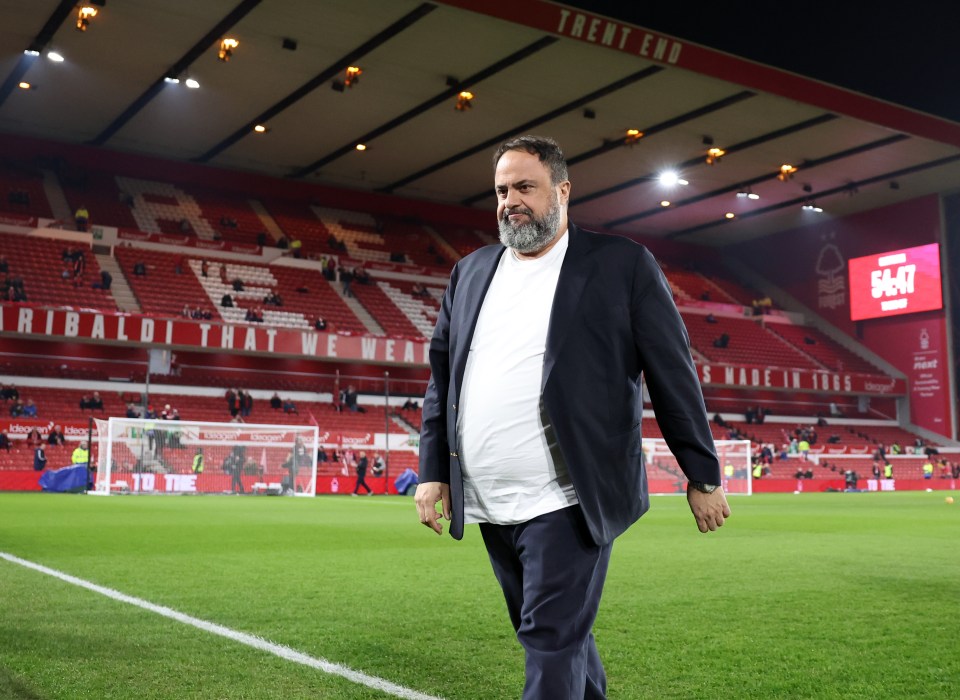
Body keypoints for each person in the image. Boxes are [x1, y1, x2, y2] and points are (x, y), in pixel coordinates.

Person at [414, 135, 729, 699]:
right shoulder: (470, 272)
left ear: (562, 190)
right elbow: (444, 382)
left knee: (550, 638)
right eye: (502, 190)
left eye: (525, 187)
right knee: (554, 638)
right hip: (489, 498)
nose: (510, 200)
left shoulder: (619, 264)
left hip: (568, 496)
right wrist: (433, 470)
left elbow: (672, 372)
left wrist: (701, 473)